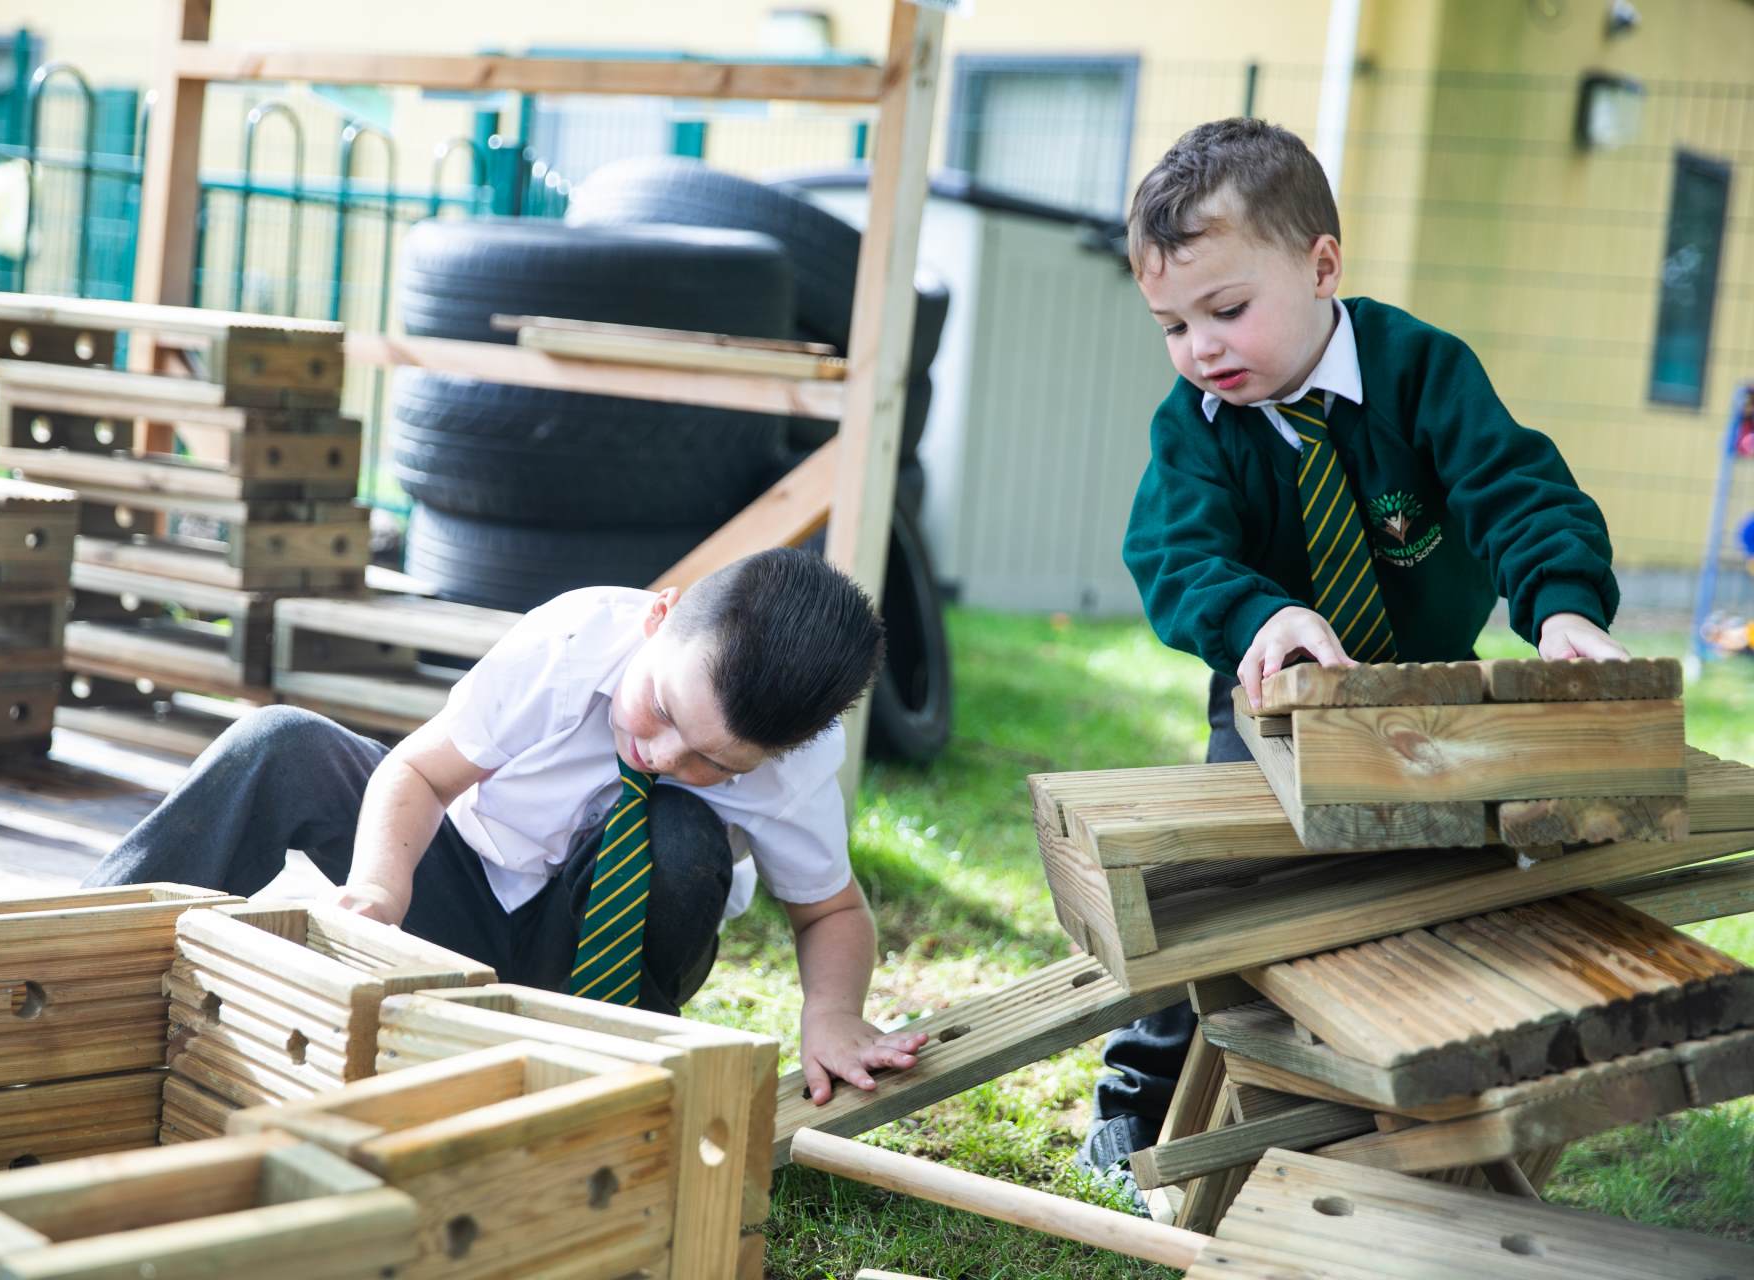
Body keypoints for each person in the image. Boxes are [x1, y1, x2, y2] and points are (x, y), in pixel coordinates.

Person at [1079, 117, 1628, 1201]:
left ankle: (1419, 1105)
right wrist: (1257, 617)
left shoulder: (1422, 371)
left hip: (1427, 694)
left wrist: (1561, 609)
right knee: (1206, 895)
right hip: (1267, 703)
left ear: (1323, 264)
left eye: (1227, 310)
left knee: (1442, 891)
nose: (1202, 348)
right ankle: (1137, 1110)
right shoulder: (1197, 424)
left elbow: (1518, 494)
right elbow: (1172, 551)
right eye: (1172, 325)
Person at [86, 547, 927, 1103]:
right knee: (282, 743)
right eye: (663, 709)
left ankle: (600, 1068)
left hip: (608, 956)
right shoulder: (569, 639)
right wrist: (381, 886)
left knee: (682, 832)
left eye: (718, 761)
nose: (666, 753)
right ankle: (82, 949)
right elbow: (416, 772)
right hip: (460, 902)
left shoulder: (796, 764)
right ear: (657, 618)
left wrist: (832, 1014)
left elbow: (831, 911)